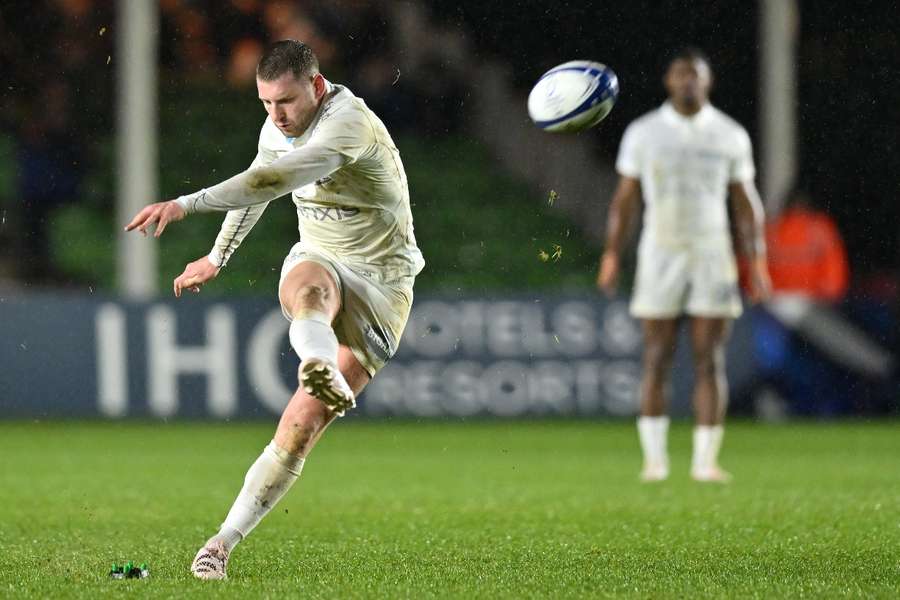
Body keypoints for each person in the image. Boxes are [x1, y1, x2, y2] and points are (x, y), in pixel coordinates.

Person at [125, 40, 424, 579]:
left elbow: (275, 180)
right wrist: (217, 257)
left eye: (285, 101)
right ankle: (220, 543)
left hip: (385, 284)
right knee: (308, 290)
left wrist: (184, 204)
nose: (276, 115)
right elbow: (261, 188)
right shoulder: (277, 129)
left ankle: (321, 368)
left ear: (316, 85)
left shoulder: (348, 123)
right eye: (266, 103)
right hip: (322, 256)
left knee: (302, 426)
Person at [596, 48, 771, 483]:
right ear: (669, 82)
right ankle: (654, 461)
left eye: (695, 76)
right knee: (656, 355)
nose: (687, 82)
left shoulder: (729, 134)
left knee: (709, 358)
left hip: (713, 252)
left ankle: (705, 462)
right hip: (660, 251)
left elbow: (746, 204)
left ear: (707, 82)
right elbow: (625, 200)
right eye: (680, 75)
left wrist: (759, 259)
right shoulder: (644, 132)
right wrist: (613, 254)